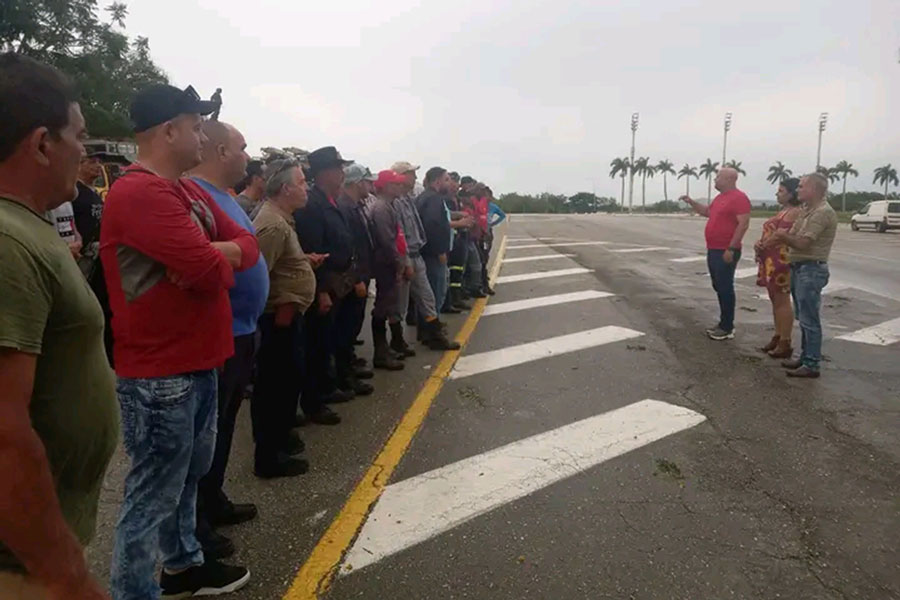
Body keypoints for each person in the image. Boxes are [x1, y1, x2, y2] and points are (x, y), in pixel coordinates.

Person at [101, 84, 257, 599]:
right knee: (152, 493)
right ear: (169, 130)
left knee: (188, 477)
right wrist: (212, 256)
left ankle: (183, 565)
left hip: (197, 360)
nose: (201, 135)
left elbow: (247, 245)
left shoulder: (183, 190)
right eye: (194, 125)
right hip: (160, 372)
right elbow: (205, 268)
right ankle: (133, 590)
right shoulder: (139, 192)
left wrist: (213, 255)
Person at [0, 52, 118, 600]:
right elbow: (2, 432)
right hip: (22, 562)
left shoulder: (28, 224)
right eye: (79, 136)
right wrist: (63, 571)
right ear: (44, 143)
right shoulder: (8, 241)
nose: (85, 152)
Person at [188, 120, 269, 557]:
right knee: (206, 431)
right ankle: (196, 522)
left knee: (224, 424)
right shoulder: (198, 197)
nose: (246, 155)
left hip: (243, 330)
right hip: (222, 332)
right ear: (220, 151)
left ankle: (213, 498)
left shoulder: (229, 199)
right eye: (241, 147)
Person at [252, 159, 322, 475]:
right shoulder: (273, 225)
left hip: (289, 317)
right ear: (285, 188)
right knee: (274, 388)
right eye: (302, 182)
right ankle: (269, 455)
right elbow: (256, 278)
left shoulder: (283, 221)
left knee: (286, 383)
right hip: (278, 320)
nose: (306, 188)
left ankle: (280, 441)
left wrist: (302, 262)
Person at [294, 146, 356, 420]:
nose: (342, 174)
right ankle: (313, 401)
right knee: (316, 345)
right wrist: (320, 292)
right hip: (323, 285)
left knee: (326, 341)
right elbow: (312, 249)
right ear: (325, 172)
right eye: (339, 169)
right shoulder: (312, 204)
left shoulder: (330, 201)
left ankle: (325, 389)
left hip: (337, 283)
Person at [771, 173, 839, 378]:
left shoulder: (822, 213)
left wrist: (783, 236)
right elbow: (794, 234)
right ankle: (805, 357)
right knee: (803, 316)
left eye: (801, 187)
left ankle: (811, 363)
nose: (798, 190)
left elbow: (803, 242)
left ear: (814, 189)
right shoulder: (807, 211)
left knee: (810, 319)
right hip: (799, 267)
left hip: (811, 268)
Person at [391, 161, 460, 351]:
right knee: (402, 304)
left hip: (417, 254)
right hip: (408, 257)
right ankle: (398, 341)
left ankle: (432, 334)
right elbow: (402, 233)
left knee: (427, 298)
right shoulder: (397, 201)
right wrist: (437, 251)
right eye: (411, 174)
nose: (414, 178)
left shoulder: (409, 199)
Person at [681, 167, 751, 341]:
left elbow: (743, 224)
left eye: (718, 177)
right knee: (718, 285)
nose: (715, 180)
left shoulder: (739, 198)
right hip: (713, 248)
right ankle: (723, 322)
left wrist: (732, 248)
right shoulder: (720, 198)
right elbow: (707, 212)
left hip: (726, 250)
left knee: (725, 286)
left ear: (729, 179)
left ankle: (727, 326)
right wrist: (692, 202)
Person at [336, 164, 378, 392]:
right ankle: (344, 377)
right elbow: (350, 248)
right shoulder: (345, 207)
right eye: (367, 181)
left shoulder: (354, 206)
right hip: (353, 280)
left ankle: (348, 367)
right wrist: (358, 278)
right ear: (356, 182)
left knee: (352, 328)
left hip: (360, 276)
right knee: (345, 329)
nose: (370, 186)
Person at [754, 178, 803, 359]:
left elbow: (781, 236)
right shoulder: (784, 211)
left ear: (792, 193)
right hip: (771, 259)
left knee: (782, 301)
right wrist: (760, 245)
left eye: (781, 191)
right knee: (775, 299)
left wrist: (764, 243)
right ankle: (778, 334)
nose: (777, 194)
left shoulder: (795, 212)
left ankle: (785, 340)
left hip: (781, 260)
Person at [73, 152, 114, 365]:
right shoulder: (74, 193)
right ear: (79, 164)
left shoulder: (95, 194)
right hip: (83, 259)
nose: (98, 167)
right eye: (92, 162)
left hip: (100, 260)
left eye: (99, 163)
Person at [368, 170, 409, 370]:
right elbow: (386, 240)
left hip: (388, 262)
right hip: (385, 264)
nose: (400, 187)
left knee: (388, 304)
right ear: (385, 186)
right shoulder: (382, 208)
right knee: (383, 306)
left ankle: (385, 349)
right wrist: (398, 262)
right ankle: (380, 353)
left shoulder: (388, 206)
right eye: (396, 184)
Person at [417, 167, 454, 315]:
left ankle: (428, 327)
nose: (449, 183)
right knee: (436, 292)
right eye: (446, 179)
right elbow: (432, 224)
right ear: (437, 181)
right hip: (433, 254)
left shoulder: (424, 197)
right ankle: (431, 330)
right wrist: (440, 250)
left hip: (426, 252)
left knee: (429, 294)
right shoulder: (434, 199)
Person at [445, 172, 474, 312]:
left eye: (457, 182)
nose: (455, 185)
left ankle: (457, 297)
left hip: (460, 237)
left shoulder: (457, 199)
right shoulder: (444, 199)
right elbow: (445, 217)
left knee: (458, 269)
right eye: (453, 181)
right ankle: (451, 300)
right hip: (452, 238)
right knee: (451, 271)